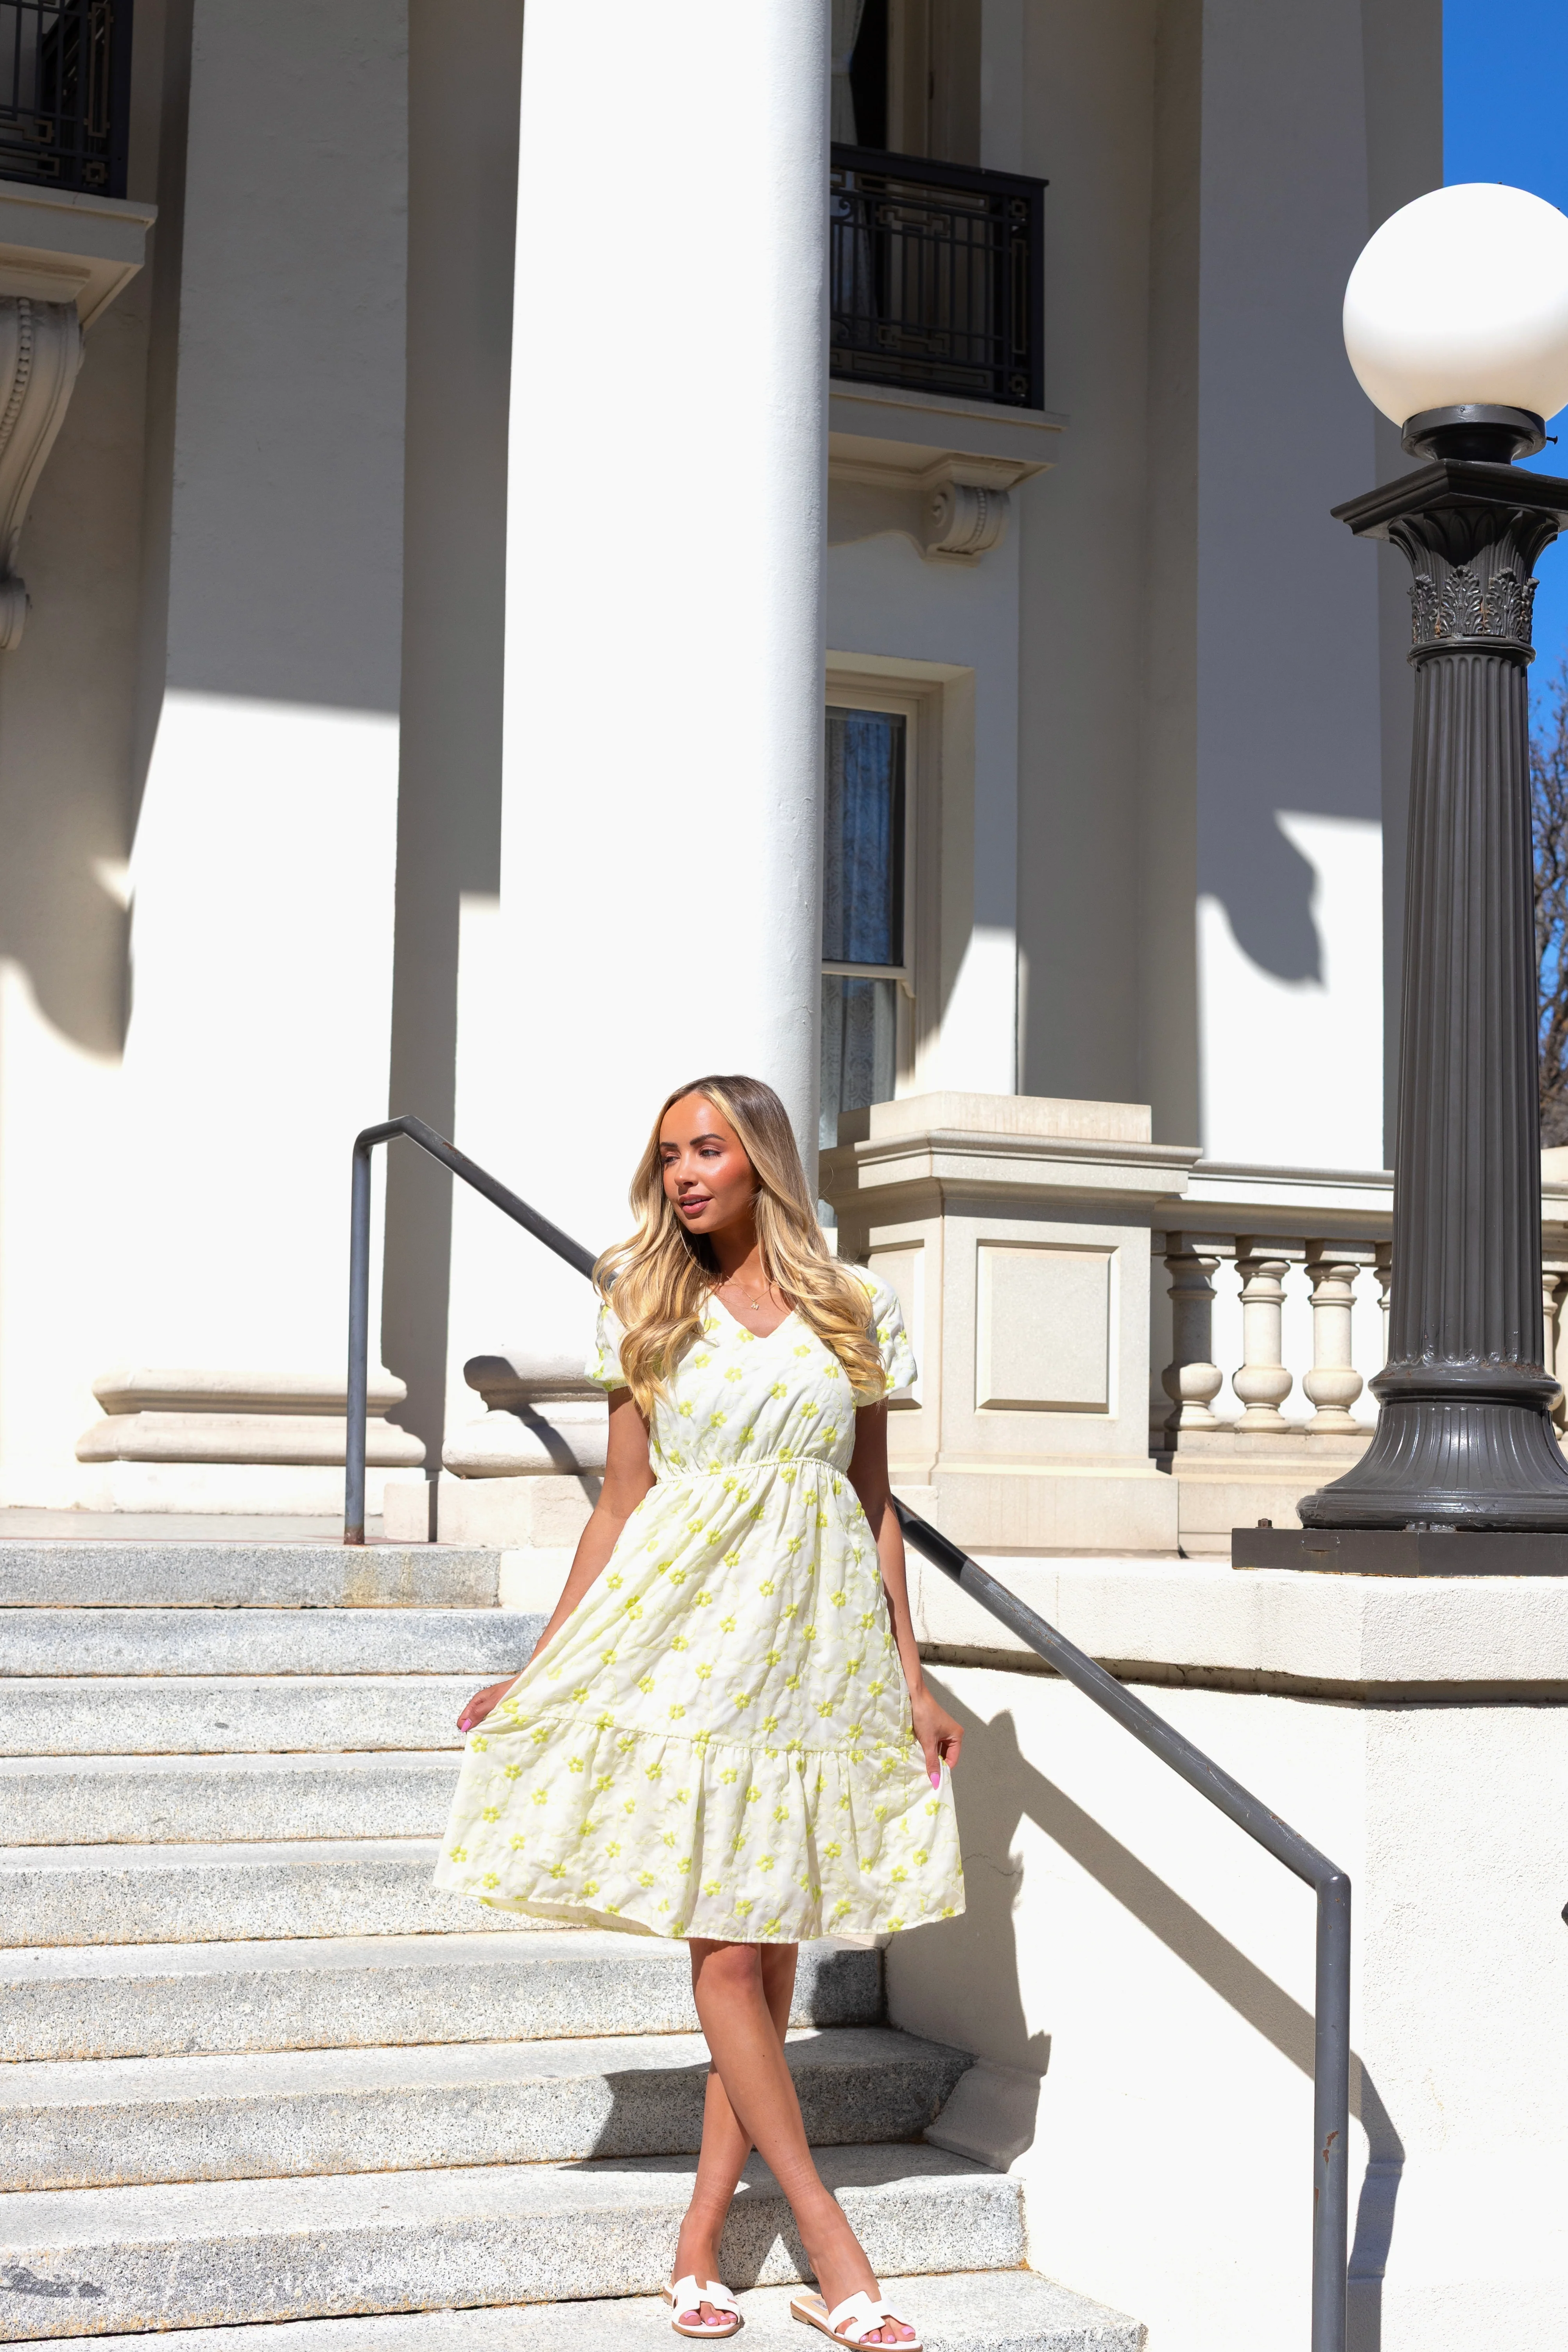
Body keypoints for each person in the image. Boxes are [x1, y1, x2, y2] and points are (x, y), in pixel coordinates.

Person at [439, 1073, 965, 2348]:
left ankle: (697, 2240)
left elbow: (874, 1506)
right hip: (690, 1643)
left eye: (707, 1149)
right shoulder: (647, 1307)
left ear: (762, 1163)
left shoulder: (857, 1307)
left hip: (819, 1650)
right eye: (669, 1154)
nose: (683, 1174)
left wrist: (913, 1673)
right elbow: (618, 1507)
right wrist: (542, 1662)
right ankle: (830, 2242)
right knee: (728, 1954)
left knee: (772, 1948)